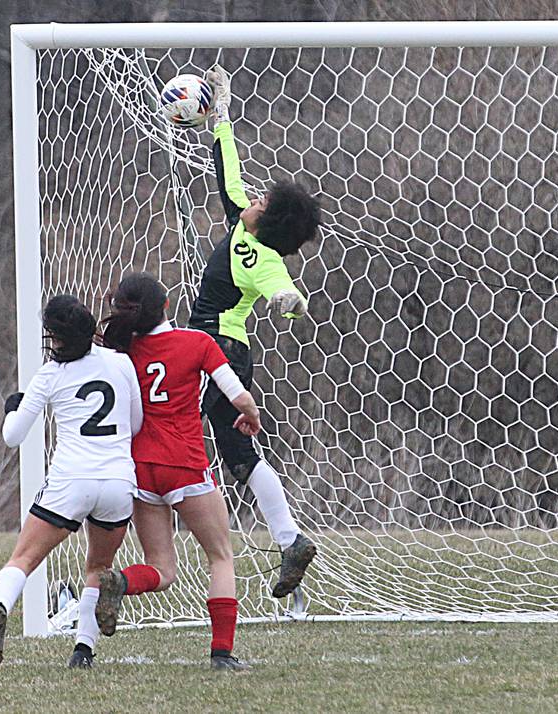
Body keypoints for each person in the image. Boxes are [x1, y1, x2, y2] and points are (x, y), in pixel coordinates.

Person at [188, 65, 320, 598]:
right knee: (240, 457)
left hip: (215, 350)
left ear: (267, 222)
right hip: (221, 352)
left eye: (263, 202)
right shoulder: (244, 220)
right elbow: (227, 175)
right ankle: (290, 541)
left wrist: (289, 300)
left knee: (160, 427)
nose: (254, 200)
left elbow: (287, 293)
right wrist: (220, 117)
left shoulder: (257, 254)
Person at [97, 272, 261, 672]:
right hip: (185, 465)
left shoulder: (122, 353)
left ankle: (123, 582)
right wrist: (251, 416)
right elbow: (235, 391)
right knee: (220, 556)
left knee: (162, 569)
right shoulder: (197, 342)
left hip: (141, 471)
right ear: (166, 306)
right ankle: (222, 653)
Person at [0, 294, 142, 671]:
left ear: (57, 336)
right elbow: (134, 425)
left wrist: (11, 408)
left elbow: (12, 436)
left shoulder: (50, 374)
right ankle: (83, 652)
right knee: (99, 566)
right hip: (118, 481)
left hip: (71, 481)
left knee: (23, 559)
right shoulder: (121, 362)